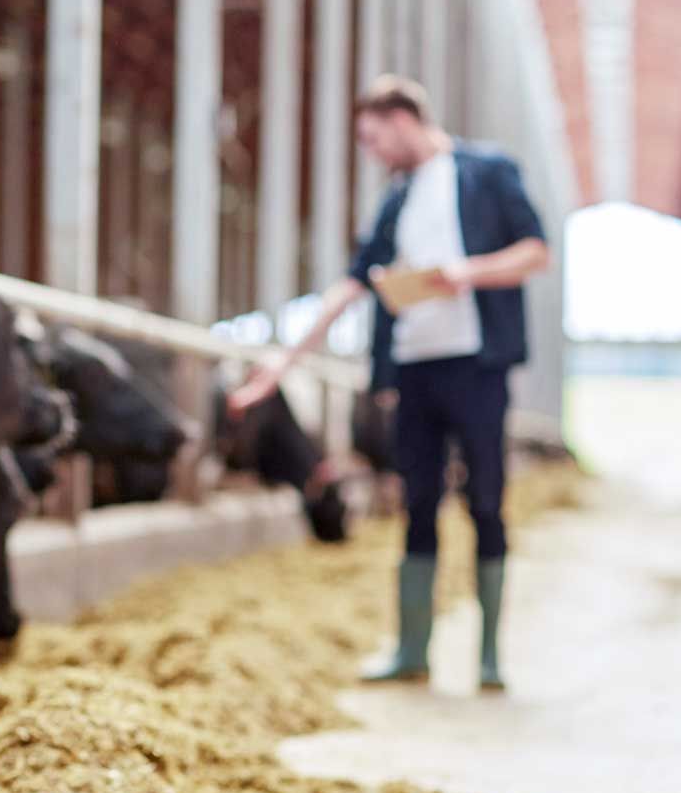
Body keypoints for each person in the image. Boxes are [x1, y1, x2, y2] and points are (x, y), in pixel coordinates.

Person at [230, 76, 549, 691]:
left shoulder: (487, 171)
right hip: (414, 372)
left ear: (403, 118)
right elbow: (350, 286)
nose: (372, 152)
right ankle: (412, 650)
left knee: (485, 500)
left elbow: (536, 251)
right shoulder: (396, 201)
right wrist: (282, 363)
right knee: (417, 503)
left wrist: (466, 273)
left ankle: (488, 657)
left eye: (374, 138)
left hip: (477, 367)